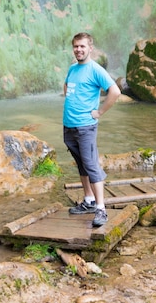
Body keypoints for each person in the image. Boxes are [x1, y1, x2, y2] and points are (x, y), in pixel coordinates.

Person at [63, 32, 121, 227]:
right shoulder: (73, 69)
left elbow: (115, 91)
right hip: (69, 126)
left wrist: (100, 111)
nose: (79, 49)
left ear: (90, 48)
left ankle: (101, 208)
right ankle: (88, 200)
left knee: (92, 166)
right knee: (82, 165)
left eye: (82, 46)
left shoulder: (95, 70)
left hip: (86, 126)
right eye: (76, 46)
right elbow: (67, 87)